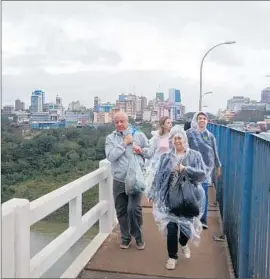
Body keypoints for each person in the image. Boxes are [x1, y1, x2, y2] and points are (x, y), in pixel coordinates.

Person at [147, 125, 206, 270]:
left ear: (184, 139)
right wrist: (153, 193)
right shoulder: (166, 157)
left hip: (189, 198)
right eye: (174, 138)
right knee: (172, 228)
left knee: (186, 227)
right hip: (169, 198)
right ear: (171, 140)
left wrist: (186, 169)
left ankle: (184, 242)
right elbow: (159, 177)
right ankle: (172, 256)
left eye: (179, 137)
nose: (177, 141)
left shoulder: (194, 156)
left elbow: (202, 175)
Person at [105, 111, 149, 250]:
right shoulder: (111, 138)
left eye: (121, 121)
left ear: (127, 121)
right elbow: (111, 157)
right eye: (116, 122)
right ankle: (125, 237)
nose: (119, 124)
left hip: (135, 179)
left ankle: (138, 236)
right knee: (121, 210)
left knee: (133, 209)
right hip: (119, 179)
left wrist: (140, 150)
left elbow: (150, 152)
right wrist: (124, 143)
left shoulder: (139, 135)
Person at [186, 111, 221, 229]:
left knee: (204, 194)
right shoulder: (189, 134)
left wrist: (217, 166)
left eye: (204, 119)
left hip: (206, 170)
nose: (202, 120)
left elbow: (215, 151)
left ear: (207, 121)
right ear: (196, 120)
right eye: (199, 118)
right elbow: (184, 148)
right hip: (192, 168)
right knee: (192, 193)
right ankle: (191, 217)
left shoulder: (210, 136)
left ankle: (203, 220)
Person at [133, 116, 173, 194]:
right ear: (162, 125)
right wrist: (141, 151)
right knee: (158, 191)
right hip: (158, 166)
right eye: (168, 123)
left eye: (171, 122)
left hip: (170, 165)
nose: (170, 124)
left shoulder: (173, 137)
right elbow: (150, 151)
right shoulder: (157, 137)